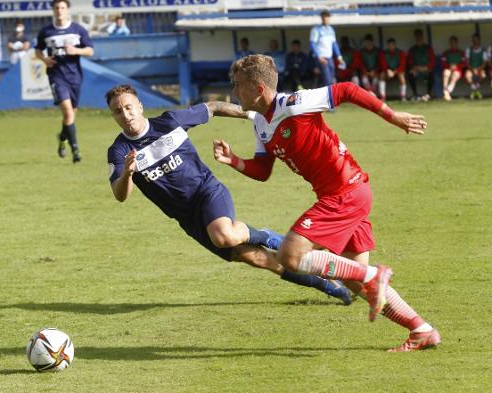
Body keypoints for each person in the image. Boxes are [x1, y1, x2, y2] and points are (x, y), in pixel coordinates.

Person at [213, 54, 440, 352]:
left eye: (238, 85)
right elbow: (263, 171)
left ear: (258, 88)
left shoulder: (295, 103)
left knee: (289, 255)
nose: (234, 91)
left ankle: (375, 274)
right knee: (356, 284)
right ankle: (421, 330)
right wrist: (233, 161)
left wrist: (393, 116)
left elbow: (347, 89)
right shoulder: (260, 125)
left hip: (345, 192)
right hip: (347, 194)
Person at [106, 84, 353, 305]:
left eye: (129, 107)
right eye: (118, 111)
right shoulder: (119, 151)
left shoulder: (169, 121)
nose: (126, 115)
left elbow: (212, 107)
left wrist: (253, 114)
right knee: (259, 260)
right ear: (114, 116)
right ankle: (326, 285)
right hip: (187, 218)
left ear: (139, 106)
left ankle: (265, 235)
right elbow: (120, 195)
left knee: (224, 235)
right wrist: (128, 173)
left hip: (207, 192)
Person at [35, 0, 94, 163]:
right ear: (53, 10)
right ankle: (76, 150)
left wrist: (76, 50)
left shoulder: (77, 30)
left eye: (62, 7)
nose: (59, 10)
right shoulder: (46, 31)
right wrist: (44, 59)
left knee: (71, 116)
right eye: (56, 8)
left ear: (67, 10)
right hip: (56, 76)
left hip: (74, 77)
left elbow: (90, 50)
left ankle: (62, 138)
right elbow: (38, 49)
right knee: (68, 112)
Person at [309, 10, 344, 87]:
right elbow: (312, 44)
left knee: (332, 78)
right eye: (324, 17)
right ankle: (330, 98)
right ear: (321, 18)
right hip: (321, 58)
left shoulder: (331, 29)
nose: (325, 19)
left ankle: (328, 96)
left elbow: (334, 44)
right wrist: (319, 57)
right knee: (328, 81)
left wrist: (339, 57)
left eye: (327, 17)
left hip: (329, 57)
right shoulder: (316, 29)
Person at [407, 29, 435, 101]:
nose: (418, 38)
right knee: (410, 73)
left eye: (420, 36)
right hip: (416, 70)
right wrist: (415, 67)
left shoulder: (428, 48)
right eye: (417, 36)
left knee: (431, 73)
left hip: (426, 69)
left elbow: (432, 61)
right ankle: (415, 94)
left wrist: (426, 68)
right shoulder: (412, 49)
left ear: (423, 37)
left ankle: (428, 94)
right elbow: (410, 62)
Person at [441, 36, 467, 101]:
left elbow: (464, 63)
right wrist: (449, 66)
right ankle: (445, 90)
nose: (452, 44)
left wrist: (456, 66)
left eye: (454, 42)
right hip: (448, 68)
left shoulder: (461, 52)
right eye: (451, 42)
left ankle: (448, 91)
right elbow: (443, 62)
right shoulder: (446, 53)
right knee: (446, 72)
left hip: (458, 70)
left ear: (456, 43)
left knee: (455, 74)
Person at [360, 33, 384, 98]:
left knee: (376, 79)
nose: (368, 44)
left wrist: (375, 71)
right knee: (364, 79)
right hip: (365, 72)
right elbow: (360, 63)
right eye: (366, 42)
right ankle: (369, 94)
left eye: (369, 42)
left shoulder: (378, 51)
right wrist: (365, 71)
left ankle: (375, 95)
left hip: (375, 71)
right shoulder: (362, 51)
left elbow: (380, 63)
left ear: (372, 42)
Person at [464, 33, 488, 99]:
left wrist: (477, 70)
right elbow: (467, 63)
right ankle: (476, 91)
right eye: (473, 39)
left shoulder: (484, 51)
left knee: (483, 75)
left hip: (480, 69)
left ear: (479, 40)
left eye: (476, 39)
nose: (475, 41)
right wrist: (473, 69)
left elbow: (484, 63)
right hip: (471, 69)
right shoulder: (468, 50)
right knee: (467, 76)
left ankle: (474, 91)